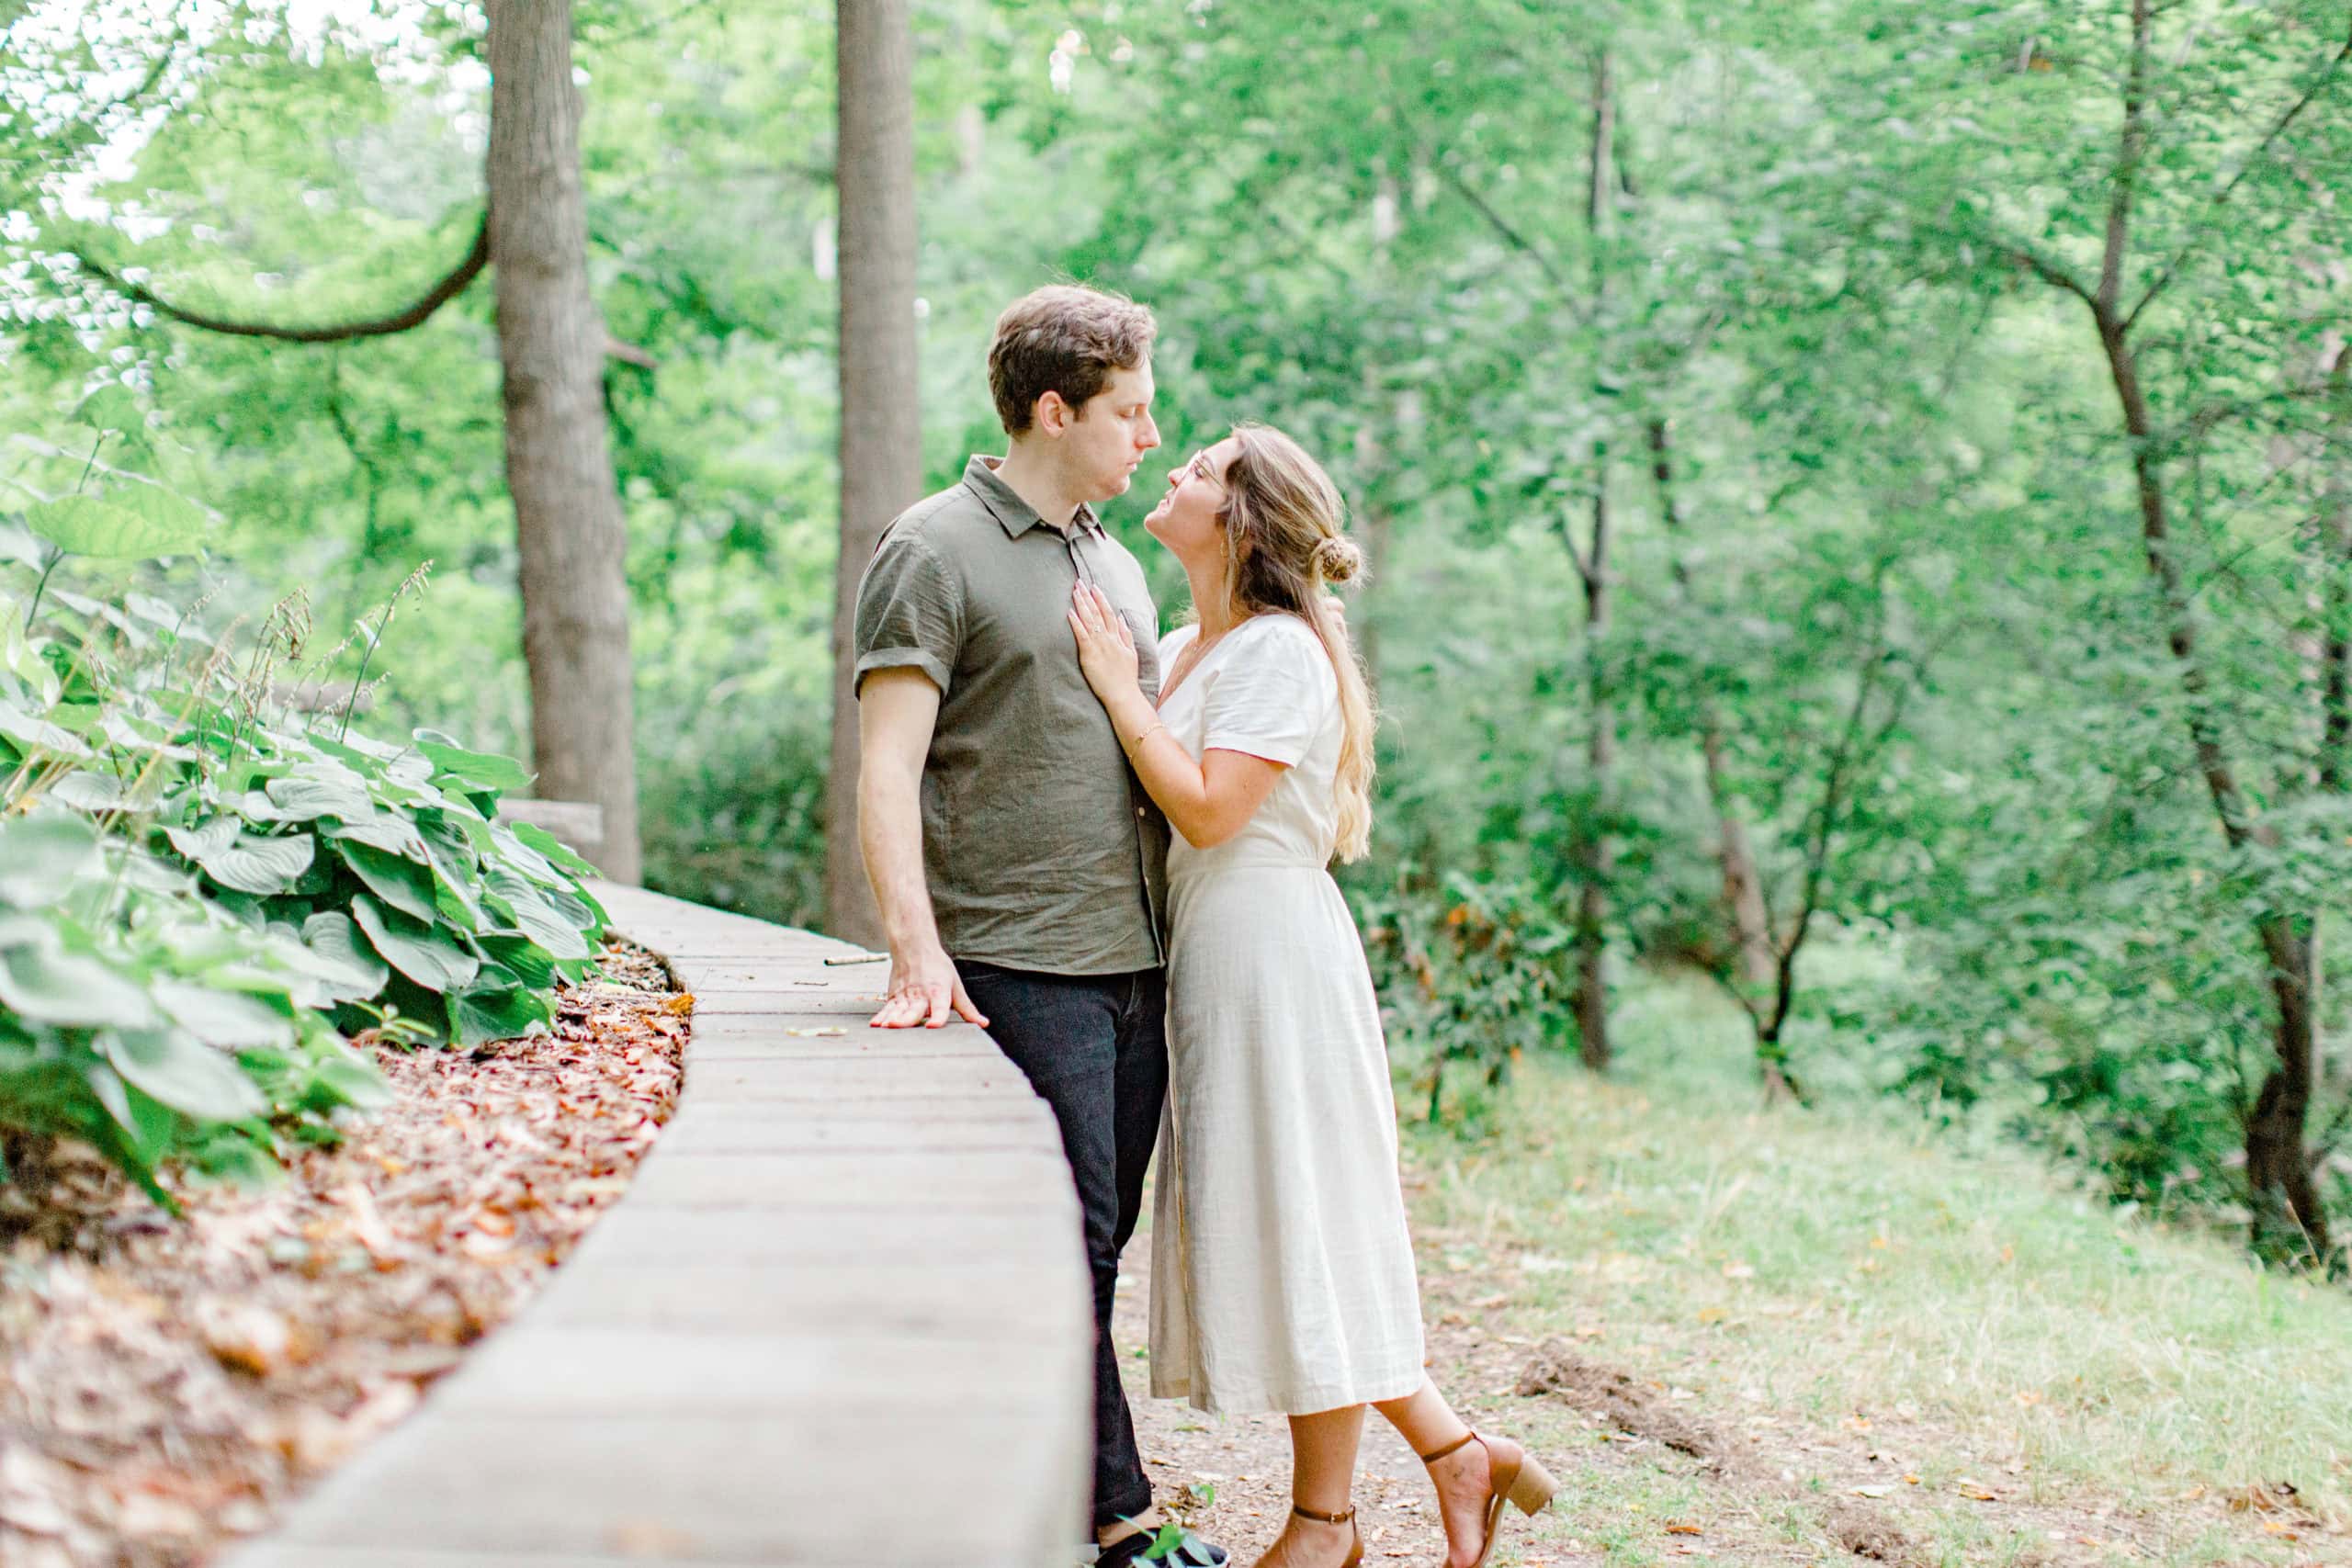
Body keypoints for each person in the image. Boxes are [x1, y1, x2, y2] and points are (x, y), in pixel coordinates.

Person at [1064, 423, 1557, 1568]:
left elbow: (1207, 811)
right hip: (1208, 951)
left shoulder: (1280, 652)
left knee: (1305, 1216)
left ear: (1240, 520)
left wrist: (1111, 689)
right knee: (1292, 1222)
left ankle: (1331, 1520)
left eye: (1200, 467)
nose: (1172, 469)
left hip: (1271, 951)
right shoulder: (1186, 641)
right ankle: (1441, 1460)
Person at [852, 284, 1224, 1567]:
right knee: (1061, 1238)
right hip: (1016, 960)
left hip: (1134, 958)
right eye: (1129, 410)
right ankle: (1120, 1518)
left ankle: (1045, 1481)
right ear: (1053, 409)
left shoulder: (1113, 561)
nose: (1150, 434)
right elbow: (887, 765)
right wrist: (916, 945)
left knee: (1097, 1245)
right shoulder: (933, 547)